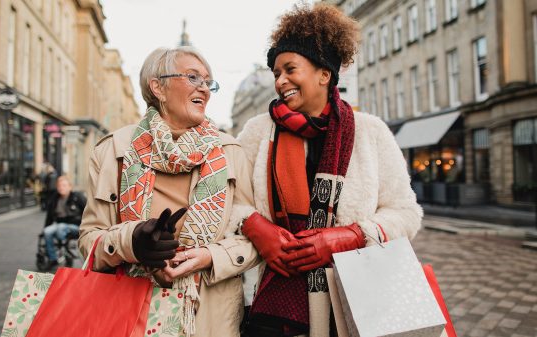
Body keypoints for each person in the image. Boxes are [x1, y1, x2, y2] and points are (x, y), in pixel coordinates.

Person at [236, 4, 423, 336]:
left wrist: (350, 236)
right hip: (273, 304)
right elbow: (230, 200)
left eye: (290, 69)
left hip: (354, 298)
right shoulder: (256, 131)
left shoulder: (371, 131)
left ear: (324, 74)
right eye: (276, 73)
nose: (280, 81)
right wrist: (255, 227)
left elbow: (407, 213)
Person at [78, 46, 259, 337]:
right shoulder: (113, 150)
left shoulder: (230, 152)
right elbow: (89, 240)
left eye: (208, 82)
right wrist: (133, 243)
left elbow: (251, 238)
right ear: (157, 87)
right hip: (131, 314)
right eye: (193, 78)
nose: (205, 89)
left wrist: (209, 256)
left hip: (210, 318)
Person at [42, 175, 86, 269]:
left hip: (76, 226)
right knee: (47, 231)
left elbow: (87, 212)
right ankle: (53, 258)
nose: (61, 187)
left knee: (61, 227)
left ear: (70, 187)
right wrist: (45, 227)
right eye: (59, 185)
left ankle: (66, 250)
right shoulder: (54, 199)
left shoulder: (78, 197)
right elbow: (49, 216)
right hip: (59, 225)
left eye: (64, 185)